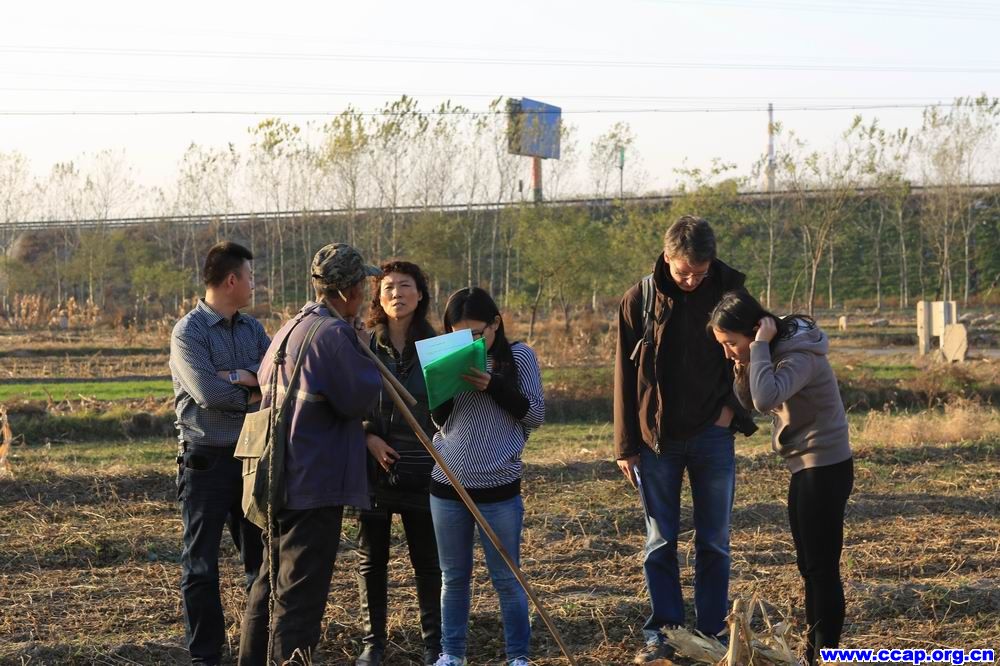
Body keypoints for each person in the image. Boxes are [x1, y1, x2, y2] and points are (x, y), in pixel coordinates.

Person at [613, 215, 757, 663]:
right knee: (660, 540)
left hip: (713, 436)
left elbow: (757, 350)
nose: (692, 280)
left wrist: (731, 412)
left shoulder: (732, 292)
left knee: (714, 539)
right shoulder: (640, 298)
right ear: (667, 258)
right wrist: (625, 445)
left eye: (701, 271)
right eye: (683, 272)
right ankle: (665, 632)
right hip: (657, 440)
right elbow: (623, 373)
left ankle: (712, 631)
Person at [238, 243, 383, 666]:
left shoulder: (293, 325)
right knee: (299, 597)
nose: (367, 295)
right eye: (364, 286)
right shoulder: (336, 335)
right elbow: (360, 398)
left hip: (276, 478)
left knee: (269, 587)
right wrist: (360, 346)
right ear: (350, 291)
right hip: (314, 481)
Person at [709, 290, 853, 666]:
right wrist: (746, 358)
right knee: (810, 567)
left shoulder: (799, 355)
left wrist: (757, 349)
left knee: (821, 569)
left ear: (755, 332)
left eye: (731, 344)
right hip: (806, 467)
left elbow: (763, 398)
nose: (728, 352)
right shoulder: (775, 352)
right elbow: (747, 396)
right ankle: (815, 653)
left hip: (824, 467)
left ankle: (825, 654)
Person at [428, 287, 544, 666]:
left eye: (477, 333)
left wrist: (492, 386)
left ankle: (517, 656)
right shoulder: (446, 355)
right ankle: (453, 653)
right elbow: (439, 420)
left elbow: (534, 416)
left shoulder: (520, 357)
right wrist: (446, 383)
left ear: (496, 323)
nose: (470, 341)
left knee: (507, 578)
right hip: (449, 482)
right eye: (458, 333)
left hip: (498, 486)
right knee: (454, 577)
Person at [169, 241, 271, 666]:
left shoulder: (252, 330)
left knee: (259, 564)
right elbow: (208, 393)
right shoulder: (188, 332)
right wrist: (250, 385)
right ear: (232, 280)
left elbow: (273, 380)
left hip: (250, 459)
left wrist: (243, 379)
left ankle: (256, 652)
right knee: (200, 567)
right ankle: (206, 657)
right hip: (205, 462)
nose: (253, 284)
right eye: (249, 276)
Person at [354, 260, 442, 666]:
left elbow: (453, 411)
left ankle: (434, 644)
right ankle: (374, 644)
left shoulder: (438, 347)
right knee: (372, 561)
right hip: (374, 470)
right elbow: (343, 403)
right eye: (387, 287)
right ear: (377, 296)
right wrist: (367, 436)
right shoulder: (361, 346)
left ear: (420, 294)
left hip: (425, 468)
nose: (396, 294)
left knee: (428, 563)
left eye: (405, 286)